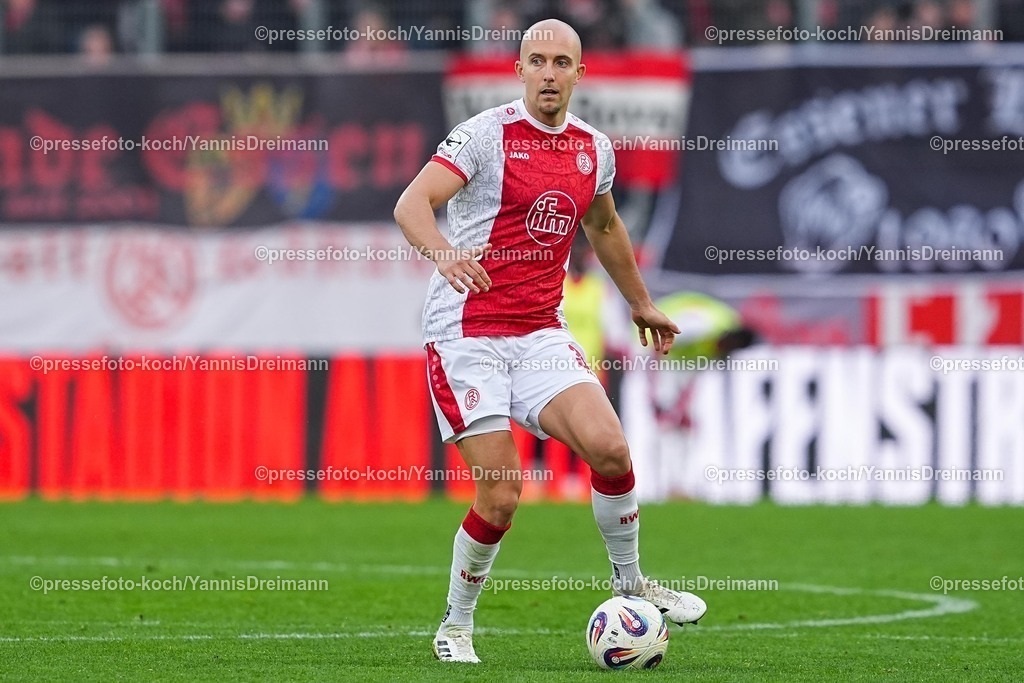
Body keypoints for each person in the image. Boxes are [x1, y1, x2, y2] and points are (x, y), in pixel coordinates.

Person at [393, 18, 706, 664]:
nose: (548, 73)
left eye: (562, 62)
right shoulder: (485, 136)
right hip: (466, 334)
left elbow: (606, 225)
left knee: (612, 450)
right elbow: (412, 204)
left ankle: (632, 585)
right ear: (519, 68)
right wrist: (446, 253)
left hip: (538, 330)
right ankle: (455, 624)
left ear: (578, 73)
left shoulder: (593, 148)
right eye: (537, 60)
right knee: (503, 490)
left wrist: (642, 302)